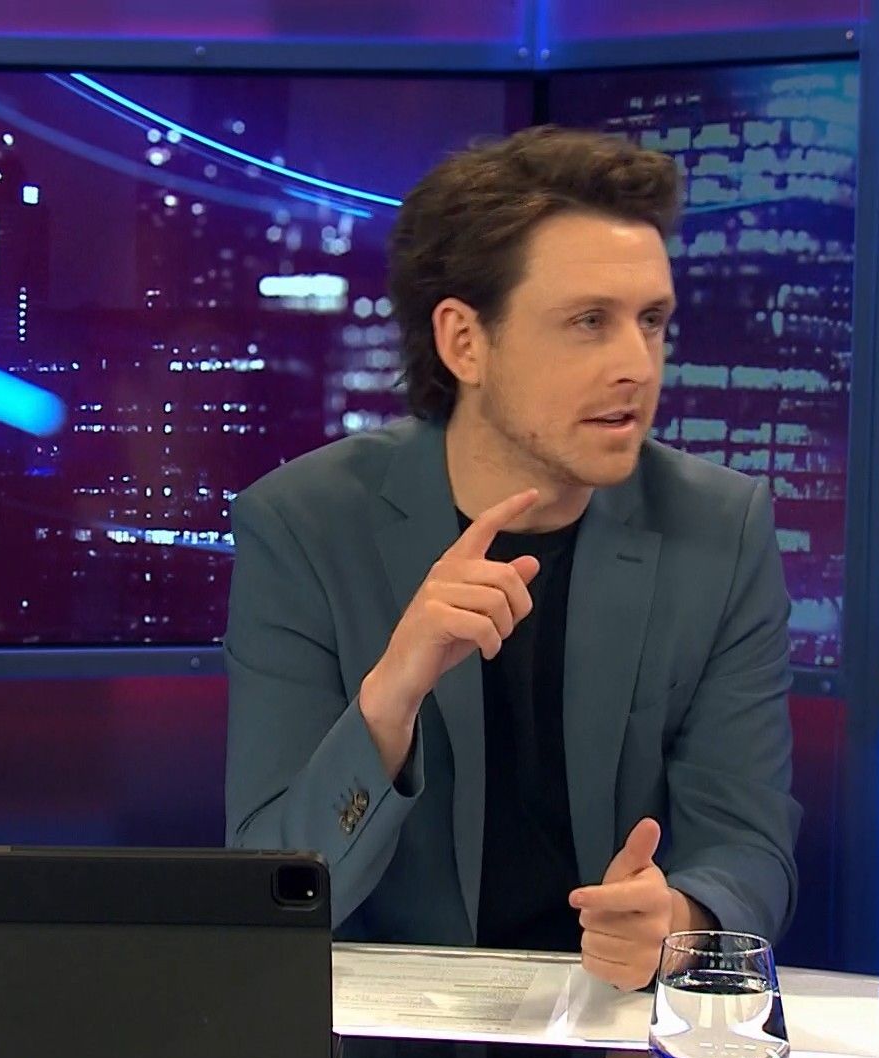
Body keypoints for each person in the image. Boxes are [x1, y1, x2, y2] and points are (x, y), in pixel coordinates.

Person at [224, 126, 801, 992]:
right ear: (465, 341)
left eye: (651, 322)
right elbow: (270, 886)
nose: (636, 365)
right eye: (588, 323)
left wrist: (680, 920)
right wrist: (390, 699)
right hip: (385, 1039)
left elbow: (749, 840)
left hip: (615, 1028)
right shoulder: (305, 526)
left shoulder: (720, 530)